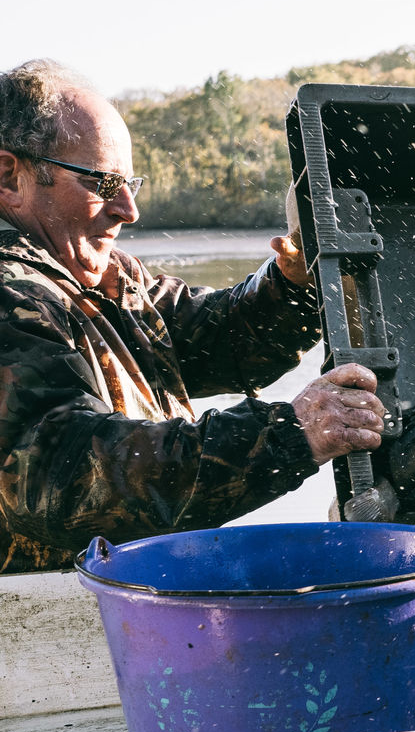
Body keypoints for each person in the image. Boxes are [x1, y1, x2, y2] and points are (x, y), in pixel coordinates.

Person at [0, 59, 387, 573]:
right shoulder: (11, 294)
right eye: (103, 182)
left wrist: (292, 284)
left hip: (125, 593)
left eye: (129, 183)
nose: (129, 209)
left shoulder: (106, 278)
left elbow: (220, 341)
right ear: (10, 176)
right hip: (41, 612)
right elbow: (61, 476)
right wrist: (290, 433)